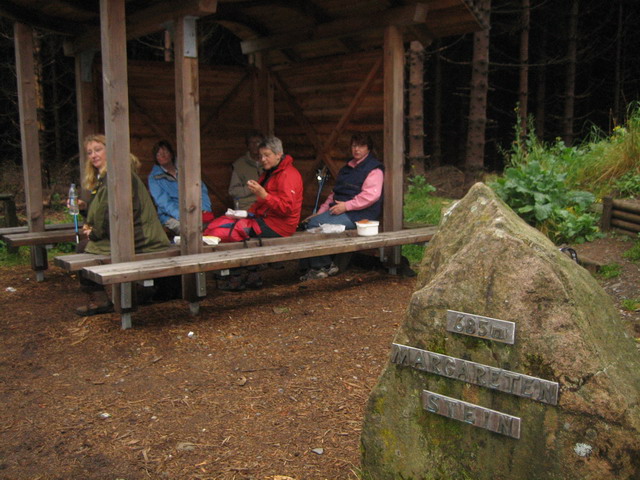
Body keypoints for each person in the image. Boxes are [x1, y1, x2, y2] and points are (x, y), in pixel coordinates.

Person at [74, 134, 171, 315]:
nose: (93, 155)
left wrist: (93, 233)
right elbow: (103, 213)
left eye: (98, 150)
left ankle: (105, 299)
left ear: (111, 150)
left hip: (141, 237)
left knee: (82, 248)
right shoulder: (109, 177)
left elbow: (108, 217)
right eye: (89, 152)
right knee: (84, 246)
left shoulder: (117, 176)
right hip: (132, 234)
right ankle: (123, 293)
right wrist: (85, 210)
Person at [216, 136, 303, 290]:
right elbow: (262, 204)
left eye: (267, 155)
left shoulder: (287, 174)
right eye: (260, 155)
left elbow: (286, 209)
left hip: (281, 226)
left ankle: (236, 276)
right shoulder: (271, 172)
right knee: (231, 224)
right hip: (269, 219)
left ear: (278, 154)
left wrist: (264, 194)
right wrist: (248, 214)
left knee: (235, 232)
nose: (263, 159)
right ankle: (252, 275)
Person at [299, 133, 384, 281]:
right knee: (310, 222)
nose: (356, 149)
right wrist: (319, 213)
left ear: (368, 148)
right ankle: (314, 266)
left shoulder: (374, 169)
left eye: (361, 146)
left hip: (361, 215)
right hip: (342, 210)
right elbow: (335, 195)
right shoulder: (347, 168)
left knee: (315, 225)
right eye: (354, 145)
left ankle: (321, 267)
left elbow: (371, 196)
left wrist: (347, 206)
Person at [148, 140, 212, 236]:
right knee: (188, 232)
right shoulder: (154, 178)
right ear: (156, 158)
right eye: (159, 154)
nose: (163, 156)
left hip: (195, 212)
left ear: (171, 153)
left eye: (165, 152)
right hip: (171, 216)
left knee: (212, 228)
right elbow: (163, 202)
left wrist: (205, 209)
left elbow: (201, 190)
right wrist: (182, 216)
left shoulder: (187, 169)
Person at [228, 131, 265, 210]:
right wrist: (251, 188)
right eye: (251, 143)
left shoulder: (269, 162)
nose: (255, 145)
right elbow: (233, 191)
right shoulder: (239, 165)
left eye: (258, 142)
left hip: (266, 205)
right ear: (247, 145)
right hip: (247, 207)